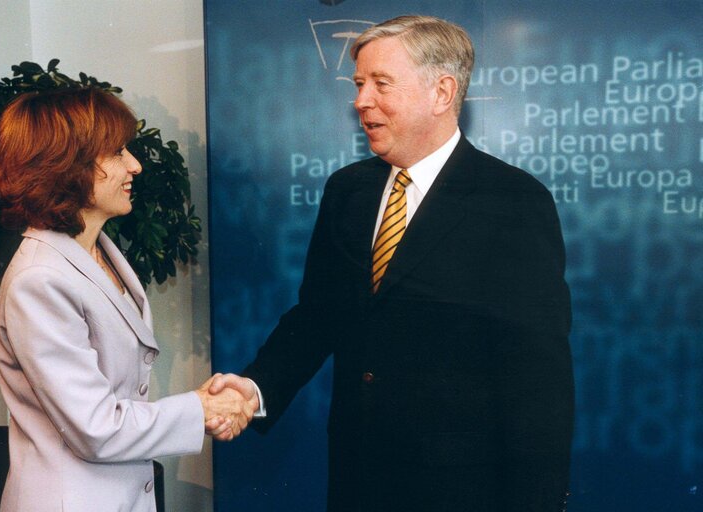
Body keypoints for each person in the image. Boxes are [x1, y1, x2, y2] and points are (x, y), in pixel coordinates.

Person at [211, 14, 574, 512]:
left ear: (442, 93)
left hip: (462, 492)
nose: (361, 101)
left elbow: (537, 381)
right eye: (360, 84)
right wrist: (254, 389)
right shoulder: (348, 191)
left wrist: (538, 501)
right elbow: (318, 316)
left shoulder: (512, 202)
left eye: (381, 83)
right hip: (358, 480)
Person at [0, 88, 256, 512]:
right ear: (66, 166)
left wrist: (199, 406)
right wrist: (199, 409)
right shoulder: (39, 280)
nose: (134, 164)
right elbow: (96, 427)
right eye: (116, 152)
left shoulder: (98, 251)